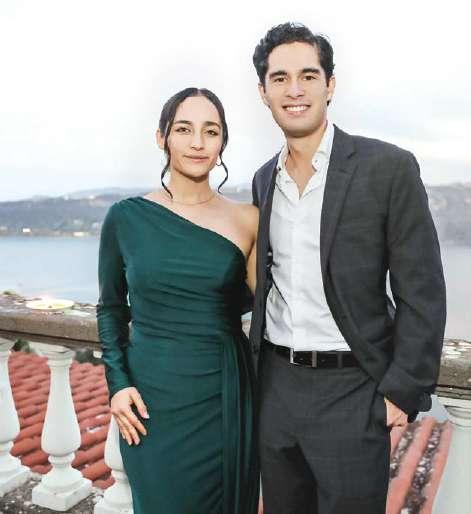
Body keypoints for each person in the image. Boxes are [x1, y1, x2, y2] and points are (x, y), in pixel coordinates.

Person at [249, 22, 446, 514]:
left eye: (308, 75)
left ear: (330, 85)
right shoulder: (263, 180)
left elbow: (422, 291)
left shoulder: (387, 168)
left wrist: (401, 391)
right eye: (280, 78)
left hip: (353, 393)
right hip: (276, 390)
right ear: (263, 92)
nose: (295, 90)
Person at [96, 87, 259, 514]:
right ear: (162, 137)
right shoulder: (125, 218)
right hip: (151, 400)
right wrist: (118, 384)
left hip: (223, 394)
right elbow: (111, 308)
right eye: (184, 129)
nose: (198, 142)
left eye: (211, 131)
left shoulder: (248, 219)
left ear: (223, 142)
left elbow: (275, 306)